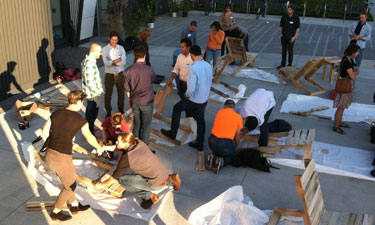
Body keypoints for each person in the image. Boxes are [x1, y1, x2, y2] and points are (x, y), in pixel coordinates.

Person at [41, 90, 105, 221]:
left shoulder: (56, 113)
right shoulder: (81, 120)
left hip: (50, 154)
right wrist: (99, 147)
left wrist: (58, 139)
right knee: (70, 186)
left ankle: (75, 205)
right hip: (61, 158)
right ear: (80, 102)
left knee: (68, 181)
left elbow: (45, 132)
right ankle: (55, 212)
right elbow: (89, 137)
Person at [94, 132, 181, 209]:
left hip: (156, 184)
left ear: (126, 143)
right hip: (163, 175)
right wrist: (104, 148)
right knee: (146, 172)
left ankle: (149, 197)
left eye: (118, 141)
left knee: (122, 180)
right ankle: (171, 179)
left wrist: (101, 185)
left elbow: (114, 177)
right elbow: (119, 147)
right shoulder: (138, 142)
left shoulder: (127, 158)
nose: (116, 142)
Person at [161, 45, 212, 151]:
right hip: (204, 98)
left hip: (194, 99)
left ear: (192, 55)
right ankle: (200, 144)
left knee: (177, 108)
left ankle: (173, 133)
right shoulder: (207, 65)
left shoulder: (194, 68)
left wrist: (187, 95)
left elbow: (191, 86)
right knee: (201, 121)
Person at [124, 45, 155, 145]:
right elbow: (153, 80)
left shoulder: (128, 70)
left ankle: (134, 145)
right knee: (146, 127)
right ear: (145, 55)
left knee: (136, 125)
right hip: (147, 101)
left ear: (134, 55)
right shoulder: (149, 69)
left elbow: (127, 89)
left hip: (135, 101)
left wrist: (130, 100)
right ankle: (144, 148)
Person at [207, 99, 243, 173]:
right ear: (234, 107)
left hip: (211, 140)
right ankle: (221, 161)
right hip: (224, 143)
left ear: (224, 107)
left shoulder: (219, 112)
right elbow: (237, 136)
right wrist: (236, 147)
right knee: (233, 154)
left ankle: (213, 156)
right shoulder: (238, 117)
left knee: (219, 150)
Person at [333, 44, 360, 135]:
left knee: (343, 107)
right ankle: (336, 126)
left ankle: (340, 122)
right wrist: (356, 72)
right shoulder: (347, 62)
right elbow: (352, 77)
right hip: (346, 86)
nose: (358, 54)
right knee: (341, 107)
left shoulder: (347, 59)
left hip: (345, 85)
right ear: (352, 52)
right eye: (357, 52)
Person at [102, 31, 126, 118]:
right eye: (112, 40)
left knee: (121, 93)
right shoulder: (105, 49)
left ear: (118, 40)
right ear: (109, 39)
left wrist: (112, 61)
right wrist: (118, 60)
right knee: (108, 93)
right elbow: (106, 63)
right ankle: (108, 111)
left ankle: (121, 109)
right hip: (109, 75)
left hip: (119, 74)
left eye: (116, 40)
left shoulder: (121, 48)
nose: (114, 42)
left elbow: (123, 62)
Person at [81, 43, 103, 136]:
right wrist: (98, 91)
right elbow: (89, 82)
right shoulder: (89, 63)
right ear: (94, 51)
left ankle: (91, 128)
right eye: (99, 51)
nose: (101, 53)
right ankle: (90, 133)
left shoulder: (87, 61)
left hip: (91, 93)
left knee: (90, 112)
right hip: (93, 94)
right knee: (91, 114)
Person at [277, 4, 300, 69]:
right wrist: (281, 34)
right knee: (283, 50)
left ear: (293, 10)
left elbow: (297, 28)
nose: (288, 11)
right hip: (284, 36)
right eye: (288, 9)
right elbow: (281, 25)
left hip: (291, 37)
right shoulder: (284, 16)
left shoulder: (296, 17)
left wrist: (294, 37)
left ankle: (289, 64)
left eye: (290, 10)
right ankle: (283, 64)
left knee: (290, 51)